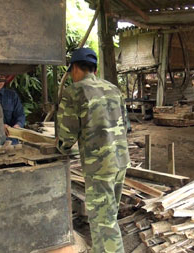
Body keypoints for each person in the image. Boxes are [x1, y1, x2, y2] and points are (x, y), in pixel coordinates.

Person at [56, 48, 130, 253]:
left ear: (76, 69)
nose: (71, 76)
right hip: (121, 161)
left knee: (102, 222)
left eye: (71, 71)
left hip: (99, 167)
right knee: (109, 216)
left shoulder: (74, 91)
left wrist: (60, 147)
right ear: (94, 69)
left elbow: (67, 135)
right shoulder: (113, 89)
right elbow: (126, 126)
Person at [0, 71, 25, 144]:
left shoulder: (12, 96)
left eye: (2, 77)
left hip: (12, 140)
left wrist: (17, 126)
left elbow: (20, 115)